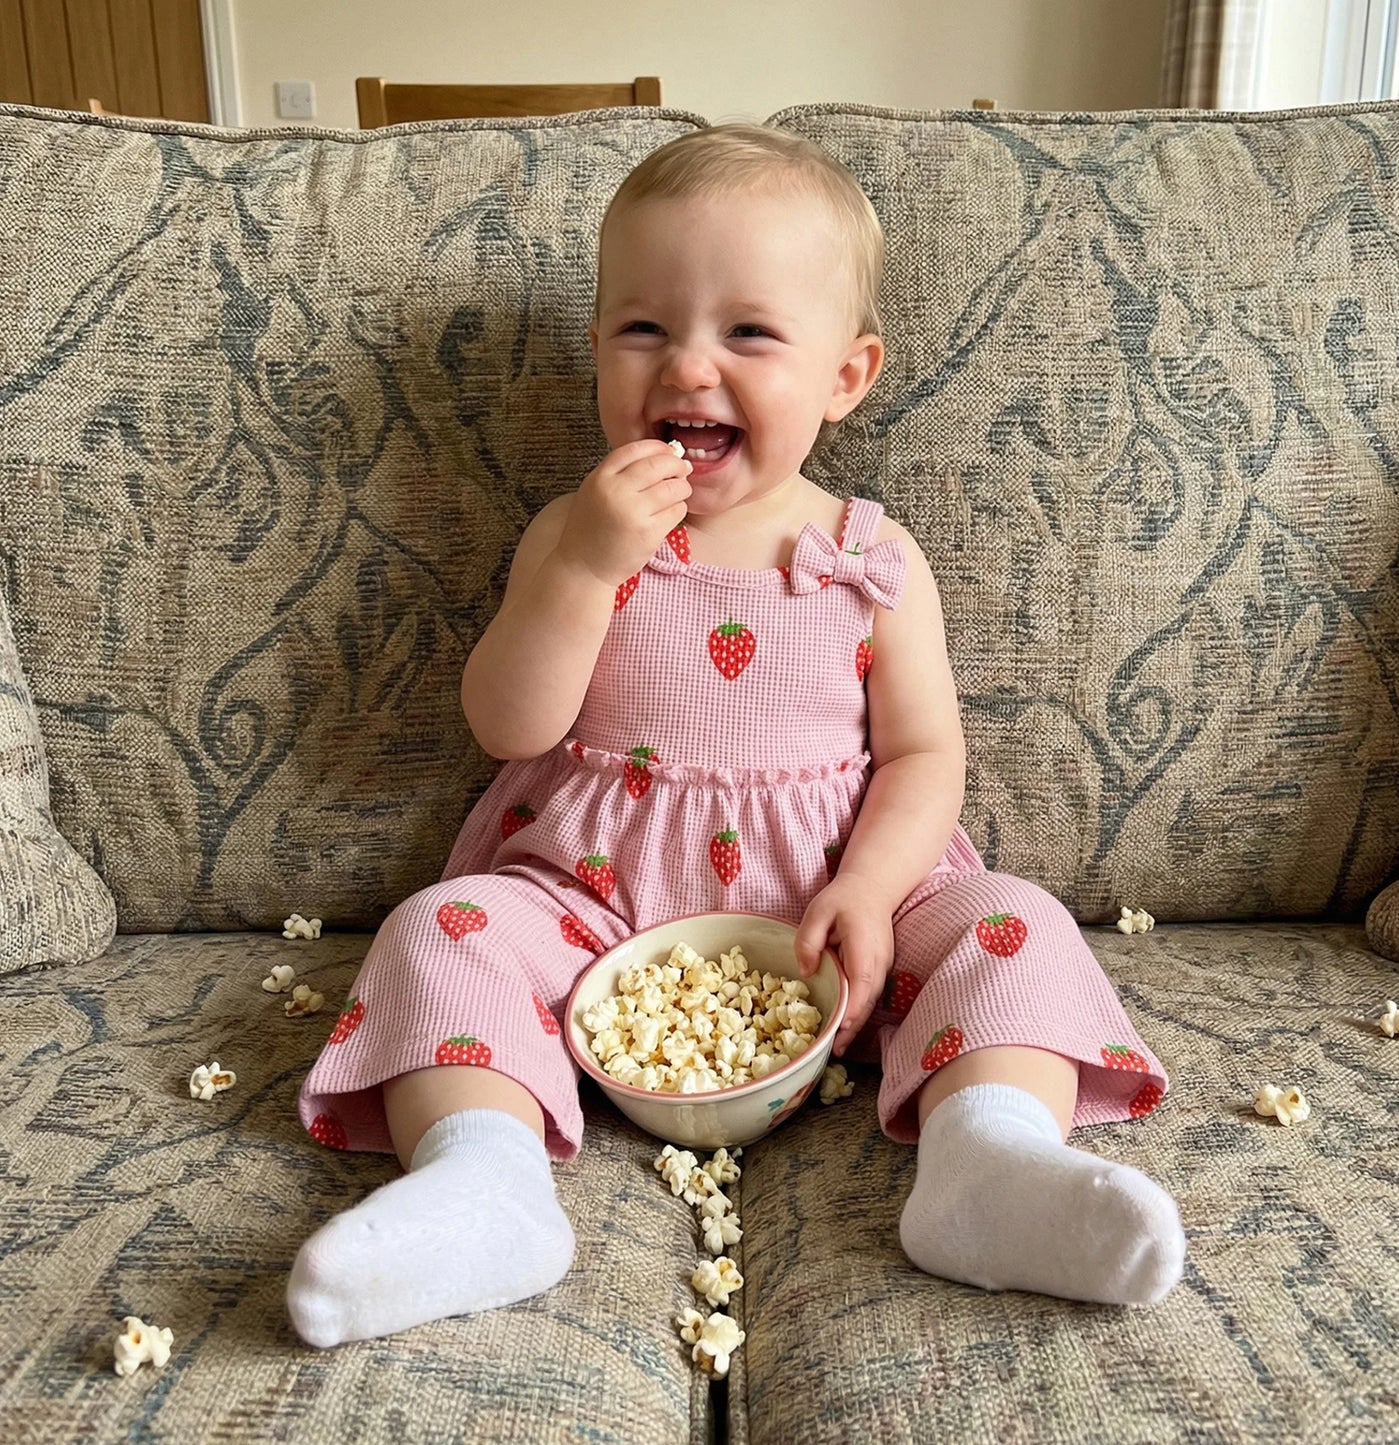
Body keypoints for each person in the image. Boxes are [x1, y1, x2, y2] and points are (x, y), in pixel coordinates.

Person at [286, 124, 1186, 1348]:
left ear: (844, 376)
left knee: (1011, 921)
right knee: (438, 932)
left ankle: (986, 1162)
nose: (687, 370)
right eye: (642, 329)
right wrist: (588, 569)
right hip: (592, 910)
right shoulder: (575, 530)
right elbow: (507, 722)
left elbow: (924, 756)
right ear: (598, 349)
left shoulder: (870, 556)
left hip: (838, 922)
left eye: (747, 334)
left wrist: (871, 889)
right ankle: (482, 1178)